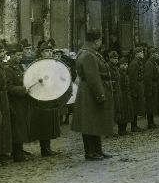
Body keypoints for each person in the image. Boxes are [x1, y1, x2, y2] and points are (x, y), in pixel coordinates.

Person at [71, 29, 114, 160]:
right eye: (100, 40)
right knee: (89, 124)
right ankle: (90, 152)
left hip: (88, 92)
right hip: (90, 93)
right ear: (96, 41)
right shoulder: (88, 55)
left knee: (95, 122)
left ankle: (97, 150)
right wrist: (100, 95)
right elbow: (93, 78)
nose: (101, 42)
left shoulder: (87, 52)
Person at [27, 44, 65, 157]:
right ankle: (44, 148)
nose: (49, 53)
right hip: (41, 97)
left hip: (51, 96)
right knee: (43, 123)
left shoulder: (53, 64)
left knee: (50, 122)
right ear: (41, 53)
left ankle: (48, 147)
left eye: (50, 51)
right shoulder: (37, 65)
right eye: (46, 51)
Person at [4, 42, 32, 162]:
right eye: (18, 55)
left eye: (21, 54)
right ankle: (17, 153)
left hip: (21, 102)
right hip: (14, 102)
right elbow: (8, 87)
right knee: (16, 129)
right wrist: (22, 90)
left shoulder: (19, 67)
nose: (20, 57)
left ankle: (20, 149)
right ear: (11, 55)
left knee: (21, 127)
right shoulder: (7, 69)